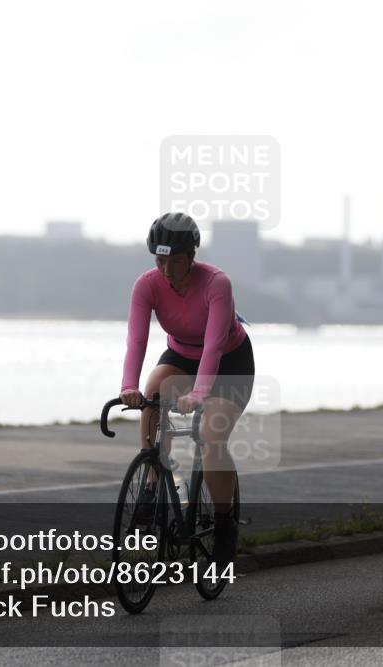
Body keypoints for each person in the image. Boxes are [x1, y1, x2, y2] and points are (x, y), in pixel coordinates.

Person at [119, 212, 255, 565]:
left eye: (175, 261)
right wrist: (129, 386)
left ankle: (224, 525)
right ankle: (151, 483)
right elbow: (137, 340)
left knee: (211, 436)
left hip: (229, 362)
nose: (167, 270)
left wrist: (198, 394)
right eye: (160, 261)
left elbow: (213, 346)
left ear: (192, 256)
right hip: (180, 354)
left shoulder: (216, 283)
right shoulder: (146, 285)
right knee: (152, 395)